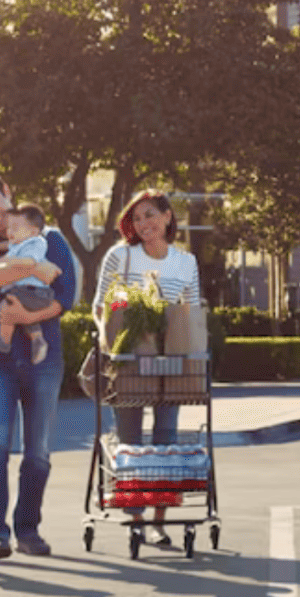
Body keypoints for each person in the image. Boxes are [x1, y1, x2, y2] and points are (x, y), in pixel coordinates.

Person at [0, 168, 78, 562]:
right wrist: (35, 267)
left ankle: (29, 529)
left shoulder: (52, 237)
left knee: (38, 450)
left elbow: (67, 293)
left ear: (7, 192)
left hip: (44, 358)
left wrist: (27, 317)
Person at [92, 188, 201, 548]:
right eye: (136, 218)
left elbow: (193, 311)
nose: (143, 224)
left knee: (166, 440)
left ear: (168, 217)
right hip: (129, 358)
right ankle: (135, 517)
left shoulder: (185, 262)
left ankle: (158, 521)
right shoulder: (120, 256)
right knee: (131, 440)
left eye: (150, 215)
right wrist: (116, 333)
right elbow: (100, 307)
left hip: (172, 360)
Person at [0, 204, 55, 366]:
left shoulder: (37, 243)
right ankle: (37, 340)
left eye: (15, 227)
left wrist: (8, 260)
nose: (10, 232)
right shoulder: (18, 243)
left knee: (7, 307)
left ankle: (4, 341)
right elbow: (7, 245)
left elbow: (30, 262)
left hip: (36, 292)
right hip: (28, 292)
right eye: (9, 227)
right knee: (21, 313)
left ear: (33, 231)